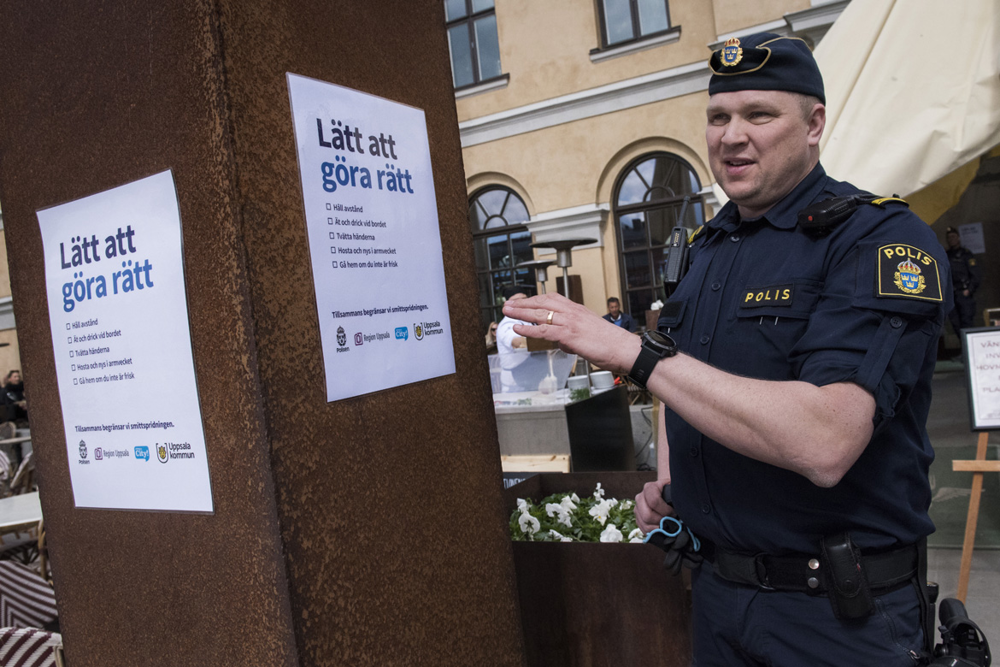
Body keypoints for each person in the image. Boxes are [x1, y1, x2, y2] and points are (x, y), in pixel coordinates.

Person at [503, 32, 950, 665]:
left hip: (837, 618)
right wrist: (670, 481)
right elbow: (678, 371)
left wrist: (631, 353)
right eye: (718, 117)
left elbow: (826, 441)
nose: (731, 136)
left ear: (814, 122)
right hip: (718, 596)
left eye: (759, 115)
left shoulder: (876, 240)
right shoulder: (706, 248)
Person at [495, 285, 535, 392]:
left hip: (531, 378)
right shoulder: (507, 323)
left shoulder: (530, 320)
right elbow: (517, 342)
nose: (522, 303)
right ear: (508, 303)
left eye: (524, 300)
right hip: (514, 384)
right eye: (517, 301)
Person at [945, 227, 980, 340]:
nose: (951, 240)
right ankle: (964, 351)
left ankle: (970, 351)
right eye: (949, 238)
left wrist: (969, 290)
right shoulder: (946, 255)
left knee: (967, 322)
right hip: (952, 294)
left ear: (959, 238)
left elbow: (975, 275)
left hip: (964, 294)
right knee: (955, 323)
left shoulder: (966, 254)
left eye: (953, 237)